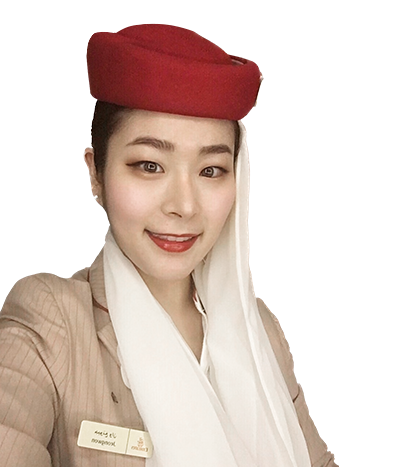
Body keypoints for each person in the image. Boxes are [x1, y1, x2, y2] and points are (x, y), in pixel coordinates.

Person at [0, 24, 334, 466]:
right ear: (96, 172)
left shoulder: (260, 333)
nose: (184, 206)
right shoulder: (52, 322)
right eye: (149, 165)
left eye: (211, 170)